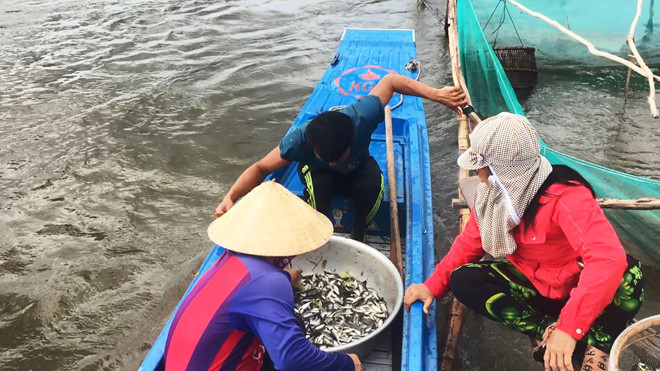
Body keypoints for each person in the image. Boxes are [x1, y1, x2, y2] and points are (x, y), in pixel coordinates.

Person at [403, 113, 644, 371]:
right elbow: (470, 243)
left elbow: (607, 259)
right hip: (535, 286)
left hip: (575, 284)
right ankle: (544, 328)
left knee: (629, 272)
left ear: (500, 171)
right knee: (463, 279)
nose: (477, 173)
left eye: (481, 166)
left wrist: (571, 329)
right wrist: (432, 286)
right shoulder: (493, 194)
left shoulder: (567, 197)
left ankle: (599, 346)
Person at [213, 74, 467, 241]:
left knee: (372, 183)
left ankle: (359, 231)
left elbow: (391, 82)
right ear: (312, 148)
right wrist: (231, 196)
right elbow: (259, 168)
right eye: (327, 157)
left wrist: (436, 94)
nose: (333, 161)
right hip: (319, 177)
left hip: (358, 167)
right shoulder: (299, 140)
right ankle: (320, 229)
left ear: (350, 140)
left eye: (338, 156)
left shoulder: (362, 117)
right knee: (320, 182)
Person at [164, 181, 363, 371]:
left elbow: (254, 290)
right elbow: (291, 359)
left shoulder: (230, 260)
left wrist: (284, 279)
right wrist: (345, 365)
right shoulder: (267, 282)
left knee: (296, 323)